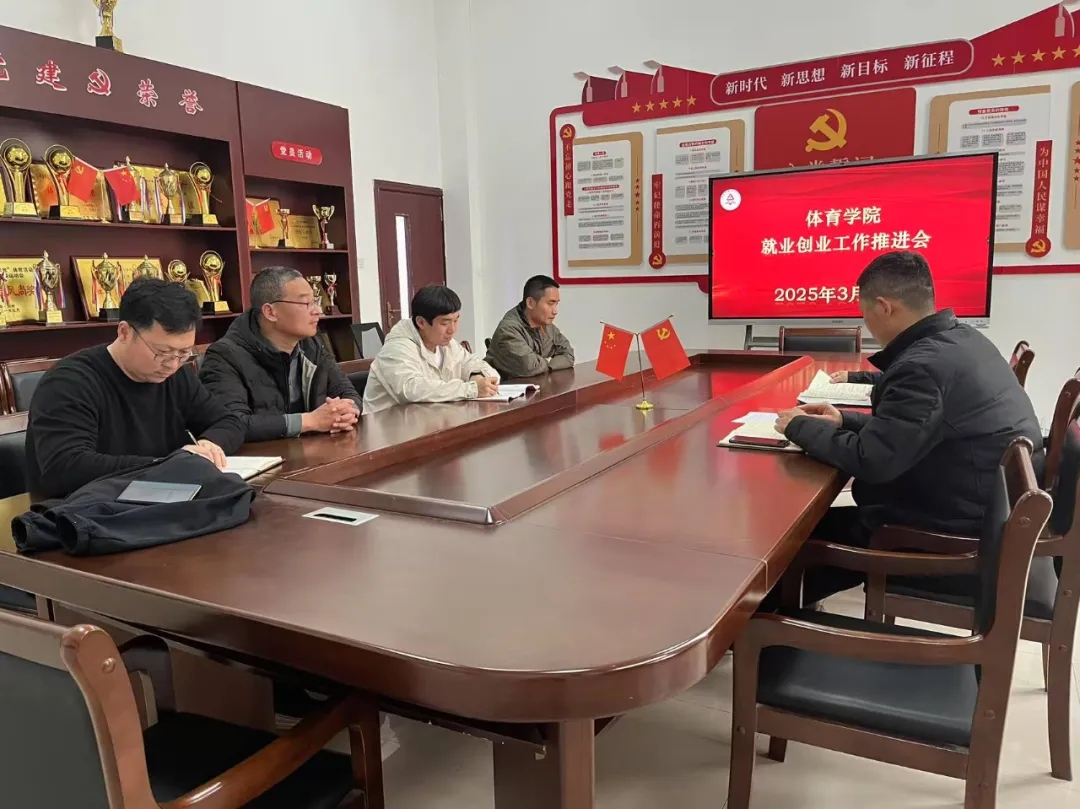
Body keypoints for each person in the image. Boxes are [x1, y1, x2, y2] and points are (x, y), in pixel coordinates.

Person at [772, 250, 1043, 605]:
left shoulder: (922, 368)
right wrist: (843, 420)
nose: (866, 322)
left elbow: (873, 460)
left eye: (864, 312)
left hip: (949, 538)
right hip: (978, 512)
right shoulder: (963, 339)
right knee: (807, 528)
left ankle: (762, 620)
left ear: (884, 307)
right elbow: (913, 430)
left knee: (788, 543)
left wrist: (798, 427)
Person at [26, 277, 245, 500]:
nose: (172, 364)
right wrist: (168, 464)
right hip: (83, 509)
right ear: (124, 332)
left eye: (183, 353)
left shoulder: (176, 375)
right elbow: (65, 467)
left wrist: (209, 445)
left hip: (162, 500)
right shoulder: (69, 382)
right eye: (162, 352)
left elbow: (228, 421)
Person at [199, 267, 360, 442]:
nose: (317, 311)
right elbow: (232, 424)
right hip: (263, 456)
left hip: (313, 450)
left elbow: (348, 392)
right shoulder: (224, 356)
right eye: (306, 303)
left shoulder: (312, 344)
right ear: (270, 312)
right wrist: (310, 421)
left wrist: (346, 412)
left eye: (315, 301)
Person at [363, 285, 499, 415]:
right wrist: (472, 389)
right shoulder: (396, 348)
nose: (452, 330)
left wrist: (476, 376)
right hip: (389, 426)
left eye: (456, 320)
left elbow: (480, 367)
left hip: (431, 420)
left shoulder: (447, 344)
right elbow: (412, 390)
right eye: (444, 323)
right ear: (421, 322)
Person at [485, 275, 575, 378]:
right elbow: (529, 367)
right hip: (503, 386)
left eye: (556, 304)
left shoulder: (547, 327)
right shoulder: (508, 330)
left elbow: (568, 355)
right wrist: (550, 361)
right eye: (550, 304)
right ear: (530, 303)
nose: (555, 311)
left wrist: (546, 365)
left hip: (537, 385)